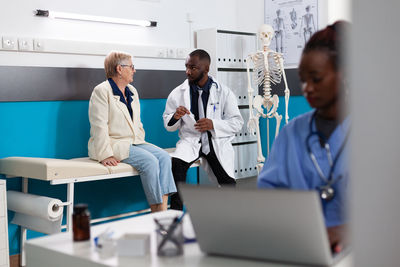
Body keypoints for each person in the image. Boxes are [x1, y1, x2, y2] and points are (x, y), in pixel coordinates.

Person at [257, 21, 350, 253]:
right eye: (303, 79)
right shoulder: (292, 132)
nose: (307, 88)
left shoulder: (377, 132)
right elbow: (268, 196)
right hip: (299, 247)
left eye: (316, 79)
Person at [88, 51, 176, 213]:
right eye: (131, 67)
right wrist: (105, 154)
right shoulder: (101, 91)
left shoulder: (132, 91)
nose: (134, 70)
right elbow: (98, 125)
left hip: (134, 142)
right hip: (113, 143)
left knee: (164, 157)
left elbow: (137, 122)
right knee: (150, 161)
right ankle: (157, 213)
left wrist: (140, 141)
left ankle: (162, 209)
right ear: (119, 69)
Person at [163, 49, 244, 210]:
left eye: (193, 68)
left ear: (206, 69)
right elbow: (168, 124)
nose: (188, 72)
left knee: (227, 182)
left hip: (215, 141)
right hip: (190, 140)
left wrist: (213, 124)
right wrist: (176, 117)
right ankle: (176, 214)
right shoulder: (177, 93)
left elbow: (237, 122)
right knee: (177, 166)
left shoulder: (224, 92)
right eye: (186, 67)